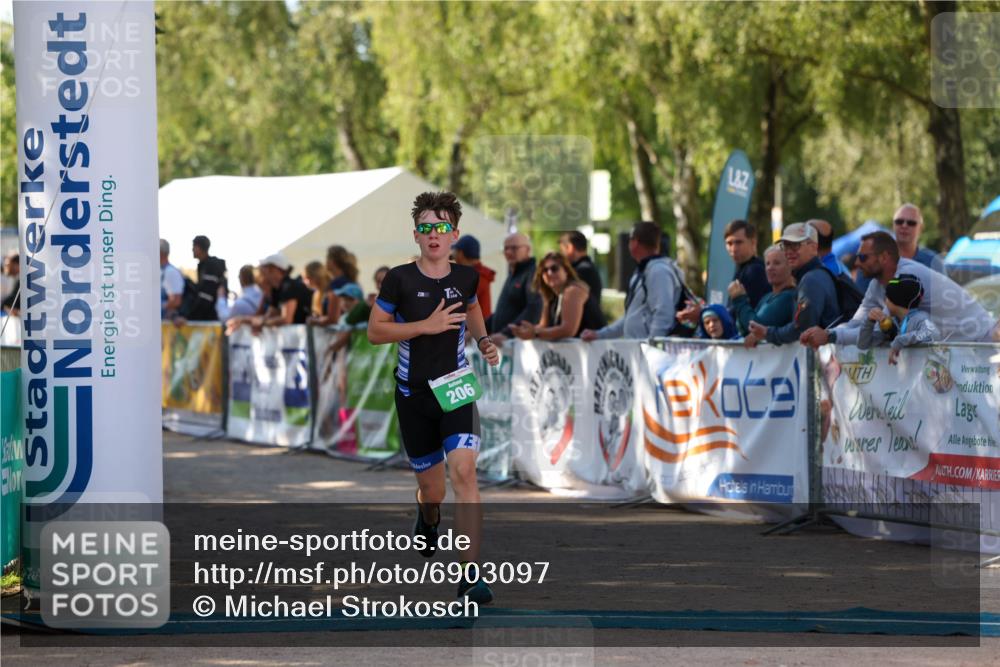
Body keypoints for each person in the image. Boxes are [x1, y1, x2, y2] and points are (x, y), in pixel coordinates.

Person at [367, 191, 500, 605]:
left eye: (441, 227)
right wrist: (425, 326)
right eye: (426, 228)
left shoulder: (465, 277)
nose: (434, 235)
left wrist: (482, 339)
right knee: (435, 491)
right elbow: (375, 332)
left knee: (465, 473)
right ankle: (428, 516)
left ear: (454, 234)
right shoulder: (399, 279)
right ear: (416, 236)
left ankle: (470, 576)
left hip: (455, 388)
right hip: (413, 395)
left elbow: (473, 305)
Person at [801, 231, 999, 346]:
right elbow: (857, 323)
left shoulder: (906, 277)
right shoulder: (876, 283)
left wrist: (829, 336)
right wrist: (826, 332)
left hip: (983, 345)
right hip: (962, 352)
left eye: (863, 257)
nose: (858, 264)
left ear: (884, 257)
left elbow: (878, 331)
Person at [581, 222, 683, 341]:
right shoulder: (646, 271)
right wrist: (600, 335)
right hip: (639, 350)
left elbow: (663, 313)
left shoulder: (658, 271)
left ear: (635, 242)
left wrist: (653, 347)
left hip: (649, 353)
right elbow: (631, 317)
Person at [745, 222, 841, 347]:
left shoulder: (811, 280)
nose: (789, 252)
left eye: (795, 246)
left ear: (813, 247)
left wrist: (767, 333)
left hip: (823, 360)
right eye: (785, 246)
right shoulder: (813, 275)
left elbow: (801, 329)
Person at [677, 219, 768, 325]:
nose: (733, 248)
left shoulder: (754, 271)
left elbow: (740, 315)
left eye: (738, 242)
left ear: (753, 242)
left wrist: (703, 312)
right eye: (729, 243)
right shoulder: (745, 269)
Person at [509, 252, 605, 341]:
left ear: (566, 271)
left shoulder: (573, 290)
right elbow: (544, 326)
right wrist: (524, 330)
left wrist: (535, 333)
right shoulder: (550, 295)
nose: (549, 273)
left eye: (554, 268)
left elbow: (568, 330)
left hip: (594, 354)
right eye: (544, 270)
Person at [858, 274, 939, 365]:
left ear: (895, 300)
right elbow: (863, 345)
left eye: (887, 298)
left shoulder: (920, 318)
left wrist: (900, 341)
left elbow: (931, 331)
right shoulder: (890, 321)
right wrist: (869, 321)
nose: (885, 301)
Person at [731, 244, 796, 337]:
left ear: (790, 267)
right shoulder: (767, 297)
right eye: (767, 264)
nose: (770, 268)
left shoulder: (788, 297)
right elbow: (743, 328)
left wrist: (739, 299)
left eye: (776, 263)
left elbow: (755, 327)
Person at [487, 233, 541, 343]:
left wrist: (506, 334)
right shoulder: (514, 273)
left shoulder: (533, 273)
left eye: (514, 248)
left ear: (528, 250)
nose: (508, 252)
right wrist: (477, 331)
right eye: (506, 248)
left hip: (518, 345)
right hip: (504, 344)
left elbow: (534, 308)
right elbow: (501, 312)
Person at [179, 235, 227, 321]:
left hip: (210, 319)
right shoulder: (204, 265)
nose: (192, 250)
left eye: (194, 246)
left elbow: (206, 296)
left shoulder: (211, 266)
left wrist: (189, 317)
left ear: (199, 248)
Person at [558, 231, 604, 317]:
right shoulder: (588, 267)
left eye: (562, 250)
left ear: (570, 248)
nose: (562, 255)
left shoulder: (581, 270)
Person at [452, 235, 496, 321]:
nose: (453, 254)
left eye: (455, 251)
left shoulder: (476, 277)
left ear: (460, 253)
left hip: (475, 331)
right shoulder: (478, 274)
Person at [892, 203, 944, 272]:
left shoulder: (933, 263)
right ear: (893, 225)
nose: (904, 226)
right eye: (899, 222)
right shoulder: (880, 260)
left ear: (921, 228)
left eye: (911, 223)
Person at [325, 245, 360, 324]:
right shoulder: (352, 281)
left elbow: (333, 319)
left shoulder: (336, 284)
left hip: (340, 330)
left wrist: (314, 321)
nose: (325, 262)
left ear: (332, 261)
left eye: (327, 258)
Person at [160, 239, 185, 320]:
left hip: (166, 325)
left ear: (161, 253)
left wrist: (156, 306)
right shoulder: (161, 270)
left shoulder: (171, 272)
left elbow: (176, 301)